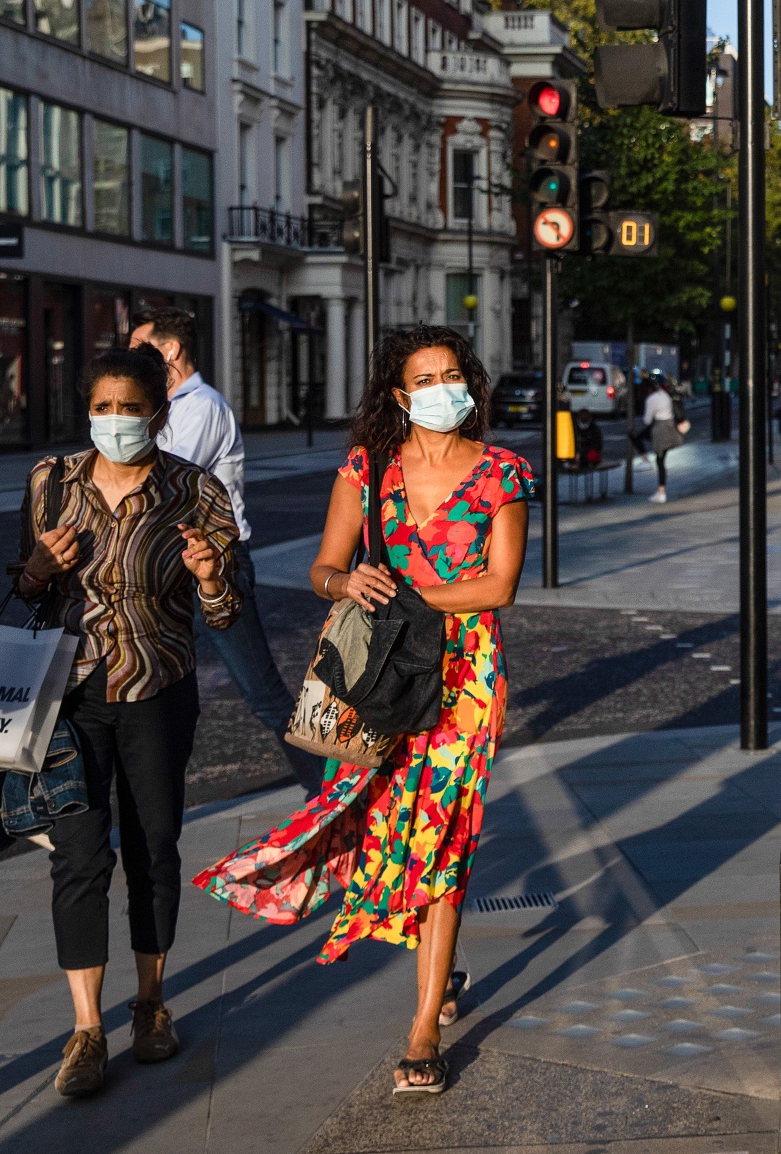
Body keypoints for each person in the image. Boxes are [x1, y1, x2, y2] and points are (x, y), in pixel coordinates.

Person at [194, 326, 532, 1098]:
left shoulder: (504, 471)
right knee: (384, 820)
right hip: (380, 674)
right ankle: (441, 974)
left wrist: (411, 599)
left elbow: (500, 585)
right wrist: (346, 586)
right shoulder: (366, 467)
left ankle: (420, 1031)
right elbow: (322, 567)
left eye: (455, 374)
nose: (444, 387)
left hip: (465, 677)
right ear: (398, 394)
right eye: (426, 377)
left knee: (442, 831)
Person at [13, 344, 241, 1098]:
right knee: (78, 855)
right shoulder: (52, 482)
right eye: (102, 407)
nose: (115, 420)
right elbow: (24, 587)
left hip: (157, 688)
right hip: (69, 696)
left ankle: (150, 1002)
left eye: (130, 407)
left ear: (159, 412)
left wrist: (210, 577)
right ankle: (85, 1030)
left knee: (154, 846)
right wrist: (42, 567)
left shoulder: (194, 490)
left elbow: (225, 609)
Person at [129, 307, 326, 798]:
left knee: (262, 693)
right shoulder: (161, 409)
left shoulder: (203, 407)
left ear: (169, 350)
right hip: (166, 570)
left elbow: (163, 483)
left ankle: (328, 793)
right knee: (142, 691)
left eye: (139, 346)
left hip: (217, 567)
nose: (130, 355)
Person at [639, 377, 682, 505]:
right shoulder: (664, 394)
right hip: (669, 428)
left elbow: (647, 420)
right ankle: (660, 491)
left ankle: (661, 491)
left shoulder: (651, 399)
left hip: (660, 429)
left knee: (659, 459)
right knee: (660, 460)